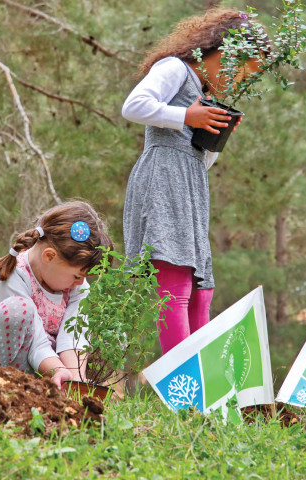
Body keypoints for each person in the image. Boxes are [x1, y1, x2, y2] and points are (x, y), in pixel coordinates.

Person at [121, 8, 261, 354]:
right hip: (163, 181)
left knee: (202, 291)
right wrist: (187, 114)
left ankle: (203, 394)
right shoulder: (174, 68)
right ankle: (183, 394)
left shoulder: (203, 91)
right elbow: (133, 105)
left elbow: (199, 158)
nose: (240, 79)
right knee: (177, 283)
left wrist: (213, 135)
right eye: (242, 69)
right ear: (226, 52)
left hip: (190, 188)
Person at [0, 201, 113, 389]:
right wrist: (57, 368)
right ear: (49, 256)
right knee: (18, 309)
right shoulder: (12, 275)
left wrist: (75, 380)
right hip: (1, 357)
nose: (79, 282)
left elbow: (72, 335)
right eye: (76, 275)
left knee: (108, 331)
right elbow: (35, 342)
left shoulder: (76, 286)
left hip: (43, 366)